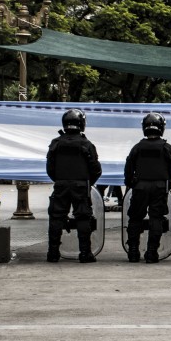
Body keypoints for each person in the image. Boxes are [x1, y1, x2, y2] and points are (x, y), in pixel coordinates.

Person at [46, 108, 102, 263]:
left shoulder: (56, 143)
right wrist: (87, 182)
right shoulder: (86, 144)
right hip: (81, 185)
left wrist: (59, 180)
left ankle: (53, 253)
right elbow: (96, 170)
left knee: (56, 217)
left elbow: (50, 168)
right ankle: (85, 253)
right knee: (83, 217)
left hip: (61, 185)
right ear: (81, 123)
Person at [123, 113, 171, 263]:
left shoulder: (137, 148)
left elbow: (128, 170)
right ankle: (151, 253)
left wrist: (132, 184)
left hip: (140, 187)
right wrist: (168, 185)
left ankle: (133, 252)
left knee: (135, 218)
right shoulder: (167, 148)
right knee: (156, 219)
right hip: (160, 187)